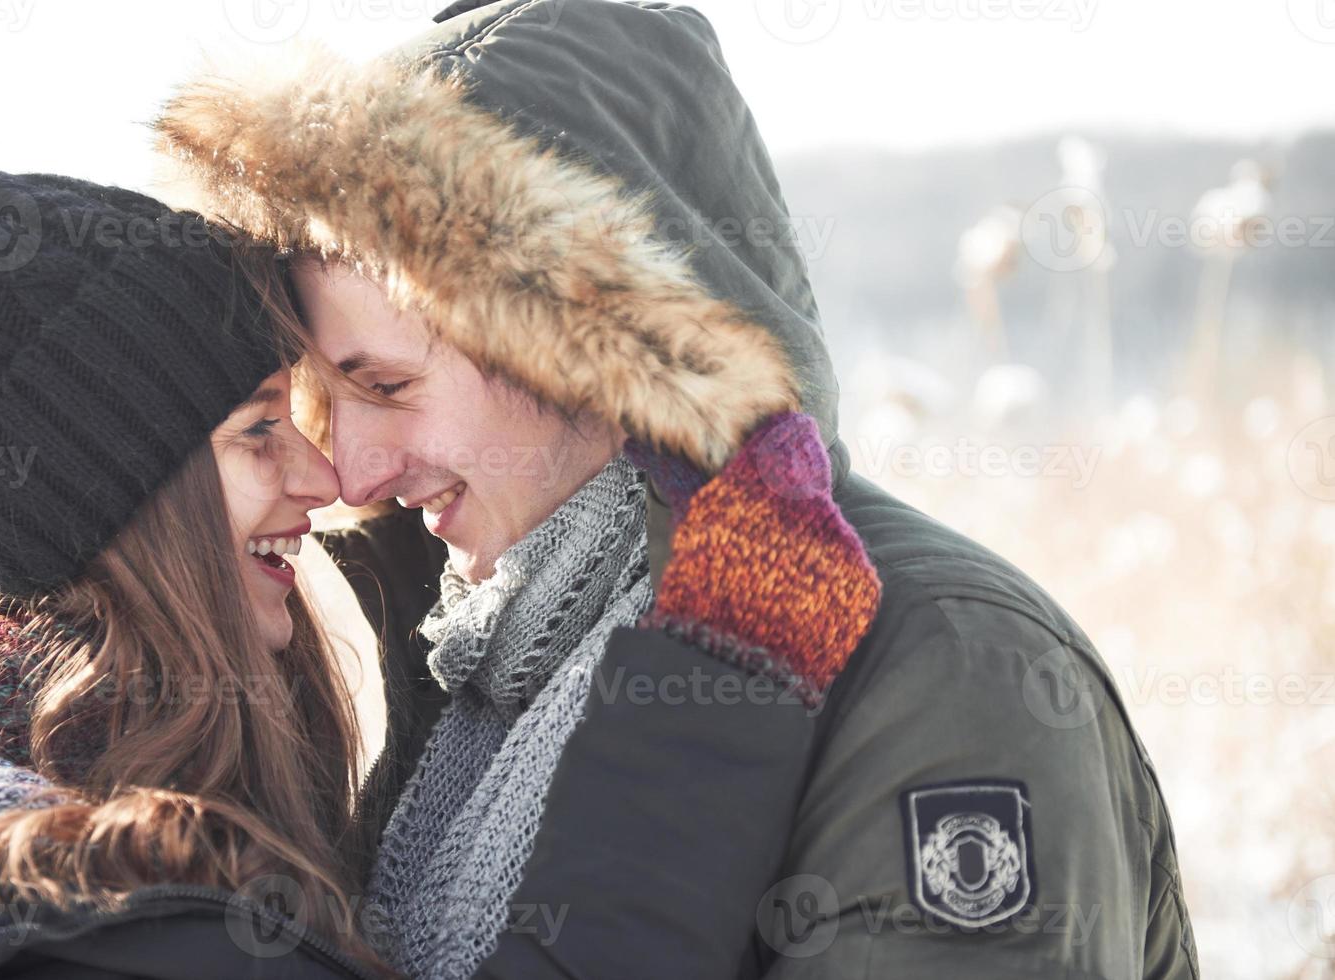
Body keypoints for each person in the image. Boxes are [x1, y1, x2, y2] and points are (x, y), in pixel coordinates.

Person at [152, 1, 1201, 977]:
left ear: (592, 350)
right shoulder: (475, 660)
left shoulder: (947, 670)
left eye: (387, 385)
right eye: (327, 401)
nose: (355, 470)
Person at [0, 99, 881, 978]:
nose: (330, 478)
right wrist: (732, 659)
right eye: (259, 429)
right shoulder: (116, 928)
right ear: (114, 507)